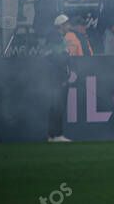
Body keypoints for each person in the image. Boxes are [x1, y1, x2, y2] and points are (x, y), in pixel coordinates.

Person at [45, 14, 75, 142]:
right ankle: (57, 134)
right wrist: (66, 55)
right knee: (58, 105)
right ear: (61, 25)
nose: (69, 26)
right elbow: (57, 57)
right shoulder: (56, 38)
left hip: (55, 76)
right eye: (67, 24)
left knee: (55, 106)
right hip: (57, 77)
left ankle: (52, 135)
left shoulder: (56, 37)